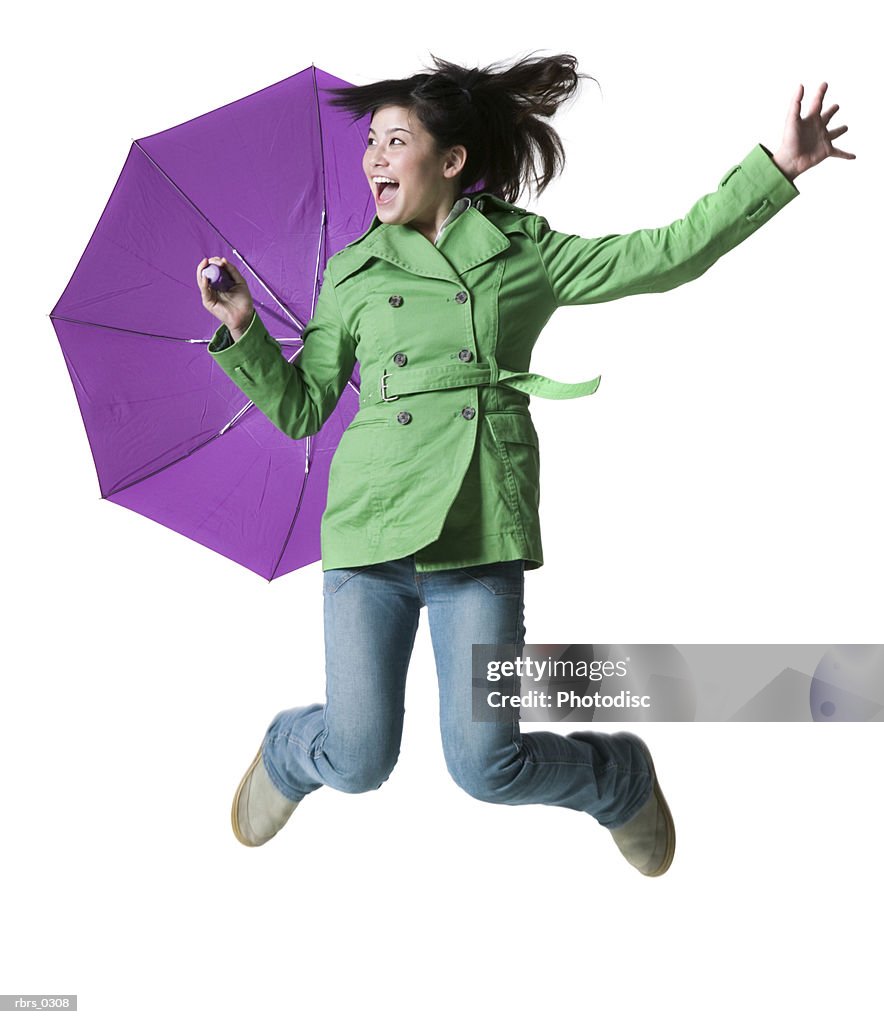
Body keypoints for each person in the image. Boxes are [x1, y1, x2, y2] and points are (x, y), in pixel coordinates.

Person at [196, 54, 853, 876]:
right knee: (358, 759)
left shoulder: (520, 252)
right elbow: (302, 409)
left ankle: (617, 779)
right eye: (370, 143)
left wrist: (776, 168)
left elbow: (664, 255)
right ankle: (289, 753)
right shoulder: (354, 273)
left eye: (394, 141)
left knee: (485, 767)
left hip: (479, 529)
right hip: (370, 533)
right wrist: (244, 329)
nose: (373, 160)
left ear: (451, 160)